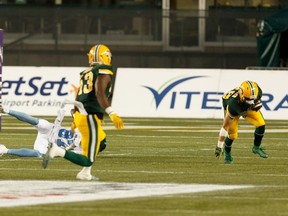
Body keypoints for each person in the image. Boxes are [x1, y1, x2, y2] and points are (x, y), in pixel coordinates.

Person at [42, 44, 124, 181]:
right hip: (89, 117)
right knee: (87, 159)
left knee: (101, 142)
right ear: (106, 57)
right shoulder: (103, 70)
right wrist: (111, 112)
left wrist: (75, 116)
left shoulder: (87, 72)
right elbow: (99, 92)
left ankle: (85, 173)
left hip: (82, 114)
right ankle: (58, 151)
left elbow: (79, 95)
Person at [215, 80, 267, 164]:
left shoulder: (257, 92)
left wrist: (256, 103)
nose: (251, 101)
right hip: (236, 108)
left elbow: (253, 100)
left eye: (253, 99)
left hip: (245, 106)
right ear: (241, 95)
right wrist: (219, 146)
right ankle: (227, 152)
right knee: (233, 135)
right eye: (248, 99)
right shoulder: (233, 105)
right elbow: (225, 127)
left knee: (261, 124)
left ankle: (256, 147)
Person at [0, 105, 82, 157]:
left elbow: (70, 153)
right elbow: (73, 112)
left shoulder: (81, 151)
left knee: (38, 153)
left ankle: (5, 150)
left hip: (48, 143)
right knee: (36, 121)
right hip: (51, 129)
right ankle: (7, 110)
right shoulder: (82, 130)